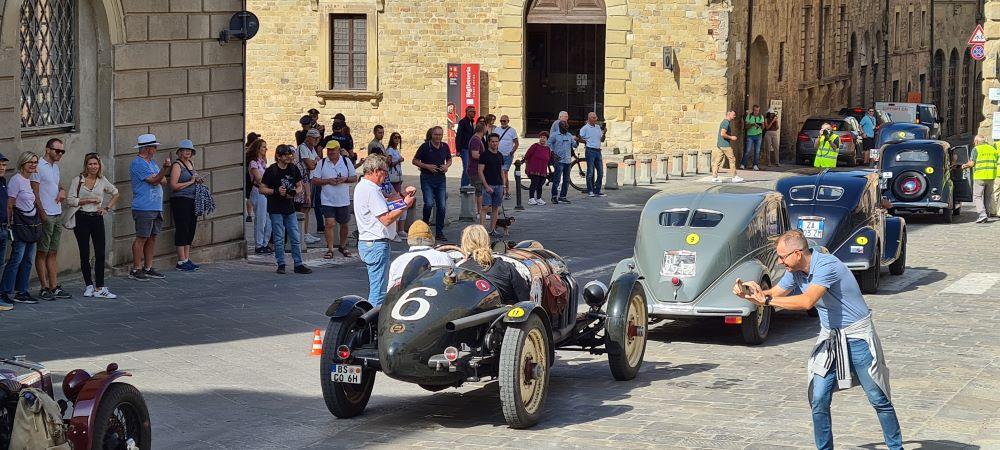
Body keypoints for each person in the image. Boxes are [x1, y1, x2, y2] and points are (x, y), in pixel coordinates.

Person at [733, 230, 902, 450]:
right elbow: (775, 293)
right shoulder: (794, 271)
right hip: (830, 339)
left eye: (783, 257)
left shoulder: (826, 266)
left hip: (857, 336)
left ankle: (896, 447)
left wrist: (766, 300)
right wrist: (749, 293)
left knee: (877, 397)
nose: (780, 261)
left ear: (798, 253)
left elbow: (807, 302)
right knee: (819, 397)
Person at [354, 155, 415, 306]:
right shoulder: (371, 190)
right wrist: (404, 206)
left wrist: (402, 200)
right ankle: (372, 325)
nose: (386, 175)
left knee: (377, 287)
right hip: (376, 242)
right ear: (375, 171)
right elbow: (386, 218)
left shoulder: (363, 186)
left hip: (368, 241)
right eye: (384, 172)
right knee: (379, 291)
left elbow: (383, 207)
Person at [64, 152, 119, 299]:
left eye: (95, 164)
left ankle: (100, 287)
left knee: (100, 253)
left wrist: (106, 208)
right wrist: (85, 201)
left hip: (96, 218)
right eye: (90, 164)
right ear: (86, 165)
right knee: (84, 253)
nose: (93, 166)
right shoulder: (78, 180)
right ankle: (89, 285)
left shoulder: (102, 180)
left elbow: (116, 193)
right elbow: (69, 200)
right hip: (81, 218)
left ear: (99, 165)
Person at [259, 144, 313, 275]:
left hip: (289, 208)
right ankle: (281, 263)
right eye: (285, 155)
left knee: (295, 236)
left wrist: (294, 192)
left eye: (290, 154)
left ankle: (298, 264)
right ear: (278, 156)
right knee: (278, 237)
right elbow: (262, 188)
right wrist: (276, 191)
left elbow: (299, 185)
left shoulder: (293, 169)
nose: (289, 157)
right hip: (275, 208)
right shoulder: (272, 170)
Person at [31, 138, 70, 300]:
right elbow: (35, 193)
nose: (60, 154)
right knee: (42, 252)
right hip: (45, 214)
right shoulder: (38, 166)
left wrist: (62, 190)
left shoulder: (55, 167)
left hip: (57, 213)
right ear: (48, 149)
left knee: (53, 251)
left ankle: (54, 286)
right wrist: (42, 215)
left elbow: (58, 184)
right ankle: (44, 287)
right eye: (57, 151)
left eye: (62, 151)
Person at [2, 152, 42, 304]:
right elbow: (10, 204)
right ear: (22, 163)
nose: (33, 165)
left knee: (28, 260)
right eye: (30, 162)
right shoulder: (16, 180)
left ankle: (22, 291)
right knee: (16, 259)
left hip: (31, 225)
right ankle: (5, 291)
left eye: (35, 162)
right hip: (19, 225)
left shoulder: (28, 180)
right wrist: (9, 225)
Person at [129, 134, 170, 281]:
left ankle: (148, 267)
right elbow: (155, 180)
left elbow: (163, 180)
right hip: (144, 206)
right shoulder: (138, 163)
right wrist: (164, 169)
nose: (156, 149)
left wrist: (160, 173)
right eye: (154, 146)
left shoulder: (152, 163)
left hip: (155, 206)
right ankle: (136, 268)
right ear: (147, 148)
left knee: (152, 237)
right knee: (142, 237)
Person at [459, 225, 533, 304]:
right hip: (504, 314)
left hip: (475, 315)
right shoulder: (506, 267)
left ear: (464, 244)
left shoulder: (461, 270)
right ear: (487, 241)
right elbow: (524, 298)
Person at [313, 140, 357, 258]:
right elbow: (315, 180)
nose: (330, 152)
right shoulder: (322, 163)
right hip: (328, 199)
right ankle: (330, 248)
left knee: (344, 224)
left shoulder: (346, 161)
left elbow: (354, 178)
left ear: (338, 150)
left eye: (333, 149)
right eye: (329, 150)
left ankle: (342, 246)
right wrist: (328, 181)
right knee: (329, 223)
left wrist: (344, 179)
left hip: (343, 199)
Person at [386, 220, 453, 288]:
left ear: (409, 240)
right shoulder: (444, 257)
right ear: (431, 239)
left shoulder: (397, 262)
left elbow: (390, 291)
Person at [412, 126, 452, 241]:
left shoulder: (445, 146)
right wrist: (427, 166)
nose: (438, 137)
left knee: (442, 205)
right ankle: (425, 227)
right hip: (427, 178)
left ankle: (439, 232)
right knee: (428, 204)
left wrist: (446, 166)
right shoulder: (425, 146)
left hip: (440, 178)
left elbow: (449, 159)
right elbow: (414, 161)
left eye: (440, 135)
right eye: (436, 134)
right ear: (432, 135)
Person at [169, 139, 203, 272]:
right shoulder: (177, 165)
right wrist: (190, 182)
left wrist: (197, 180)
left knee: (191, 228)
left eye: (189, 150)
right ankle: (181, 260)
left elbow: (193, 179)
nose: (187, 152)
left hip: (192, 199)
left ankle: (187, 258)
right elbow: (173, 185)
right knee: (182, 228)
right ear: (180, 152)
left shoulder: (190, 163)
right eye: (185, 150)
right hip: (180, 199)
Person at [246, 139, 272, 254]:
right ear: (258, 149)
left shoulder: (262, 162)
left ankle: (264, 243)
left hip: (265, 191)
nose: (265, 149)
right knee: (261, 219)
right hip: (258, 190)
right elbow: (259, 179)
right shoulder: (253, 163)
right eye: (263, 147)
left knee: (268, 219)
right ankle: (259, 244)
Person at [294, 130, 320, 246]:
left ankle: (306, 232)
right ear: (308, 138)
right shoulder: (303, 148)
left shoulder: (312, 149)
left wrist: (314, 162)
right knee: (303, 207)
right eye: (315, 138)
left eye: (318, 138)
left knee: (308, 207)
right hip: (304, 180)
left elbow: (316, 162)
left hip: (310, 179)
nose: (317, 140)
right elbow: (311, 165)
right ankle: (302, 233)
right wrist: (315, 162)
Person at [965, 135, 996, 223]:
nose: (974, 143)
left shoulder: (976, 149)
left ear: (977, 142)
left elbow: (971, 164)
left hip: (980, 176)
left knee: (977, 196)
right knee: (987, 196)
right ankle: (987, 212)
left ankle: (982, 214)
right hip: (991, 176)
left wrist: (964, 165)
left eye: (975, 142)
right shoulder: (992, 149)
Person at [575, 112, 606, 197]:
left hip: (598, 151)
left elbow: (602, 139)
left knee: (600, 172)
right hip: (590, 150)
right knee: (590, 171)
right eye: (593, 118)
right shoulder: (585, 128)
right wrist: (586, 142)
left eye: (595, 117)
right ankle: (590, 190)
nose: (595, 119)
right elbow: (578, 137)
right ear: (589, 118)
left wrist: (605, 132)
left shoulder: (598, 127)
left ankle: (597, 190)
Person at [479, 133, 505, 234]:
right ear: (489, 142)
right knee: (485, 207)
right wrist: (485, 185)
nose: (494, 143)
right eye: (492, 141)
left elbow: (501, 171)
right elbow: (480, 171)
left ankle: (492, 229)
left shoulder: (500, 155)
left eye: (496, 141)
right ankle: (481, 230)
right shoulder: (484, 155)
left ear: (498, 142)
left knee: (495, 208)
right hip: (488, 184)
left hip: (498, 184)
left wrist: (504, 185)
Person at [548, 120, 577, 204]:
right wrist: (553, 153)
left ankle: (563, 196)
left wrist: (577, 139)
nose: (566, 129)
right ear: (560, 127)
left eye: (567, 127)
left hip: (568, 161)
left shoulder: (569, 135)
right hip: (559, 160)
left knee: (566, 180)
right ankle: (554, 196)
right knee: (557, 179)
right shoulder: (555, 135)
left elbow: (574, 145)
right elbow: (548, 144)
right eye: (564, 127)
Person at [385, 132, 407, 237]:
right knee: (397, 201)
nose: (397, 139)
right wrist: (399, 160)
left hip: (397, 178)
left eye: (398, 138)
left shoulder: (395, 150)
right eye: (395, 138)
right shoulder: (389, 150)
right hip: (392, 179)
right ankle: (396, 230)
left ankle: (399, 229)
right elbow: (388, 163)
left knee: (399, 200)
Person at [712, 111, 743, 183]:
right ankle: (734, 177)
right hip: (725, 145)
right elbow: (722, 134)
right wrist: (731, 137)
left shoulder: (725, 122)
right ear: (728, 115)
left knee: (718, 161)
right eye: (733, 115)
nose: (734, 116)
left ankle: (714, 177)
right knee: (732, 159)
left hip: (721, 144)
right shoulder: (726, 122)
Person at [521, 131, 551, 205]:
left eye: (544, 138)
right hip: (534, 168)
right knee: (534, 183)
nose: (542, 139)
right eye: (541, 137)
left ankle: (539, 198)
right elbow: (527, 155)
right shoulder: (535, 146)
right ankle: (531, 199)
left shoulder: (547, 148)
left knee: (540, 184)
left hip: (543, 169)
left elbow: (549, 158)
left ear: (547, 139)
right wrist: (524, 162)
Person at [494, 115, 519, 198]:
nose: (503, 122)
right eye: (501, 121)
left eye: (504, 121)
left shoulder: (512, 131)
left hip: (508, 155)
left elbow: (516, 143)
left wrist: (512, 151)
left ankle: (506, 191)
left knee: (504, 173)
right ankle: (501, 190)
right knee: (499, 173)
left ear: (508, 121)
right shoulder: (497, 129)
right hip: (498, 155)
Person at [468, 122, 487, 224]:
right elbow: (475, 155)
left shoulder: (477, 139)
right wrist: (486, 157)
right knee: (478, 191)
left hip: (476, 169)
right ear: (483, 129)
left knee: (478, 190)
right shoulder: (475, 140)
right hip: (475, 170)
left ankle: (477, 211)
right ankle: (479, 211)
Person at [456, 106, 476, 188]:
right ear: (467, 112)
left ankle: (468, 185)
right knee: (467, 168)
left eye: (474, 112)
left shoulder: (472, 122)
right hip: (465, 148)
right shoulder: (463, 122)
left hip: (471, 149)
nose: (474, 113)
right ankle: (463, 187)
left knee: (470, 168)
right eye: (472, 111)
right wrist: (458, 149)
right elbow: (459, 136)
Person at [741, 105, 764, 170]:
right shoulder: (749, 116)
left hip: (758, 135)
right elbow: (746, 127)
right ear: (753, 110)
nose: (756, 112)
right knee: (747, 150)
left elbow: (763, 128)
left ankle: (755, 165)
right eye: (755, 110)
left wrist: (761, 125)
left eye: (758, 110)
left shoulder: (761, 117)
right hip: (750, 135)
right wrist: (753, 124)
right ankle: (743, 164)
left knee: (757, 151)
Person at [244, 132, 260, 223]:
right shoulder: (252, 151)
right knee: (251, 195)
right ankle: (251, 213)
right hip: (251, 174)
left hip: (246, 174)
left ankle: (249, 214)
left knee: (248, 196)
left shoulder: (245, 149)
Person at [0, 153, 9, 310]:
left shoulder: (3, 181)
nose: (2, 168)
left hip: (3, 228)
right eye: (0, 165)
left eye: (4, 165)